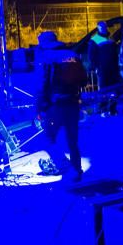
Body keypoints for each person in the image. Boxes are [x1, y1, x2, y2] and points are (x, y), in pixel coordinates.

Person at [36, 31, 88, 180]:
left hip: (55, 106)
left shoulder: (46, 57)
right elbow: (84, 80)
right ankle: (77, 169)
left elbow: (42, 84)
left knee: (48, 138)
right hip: (73, 103)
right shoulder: (72, 54)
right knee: (73, 140)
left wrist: (39, 107)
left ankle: (64, 165)